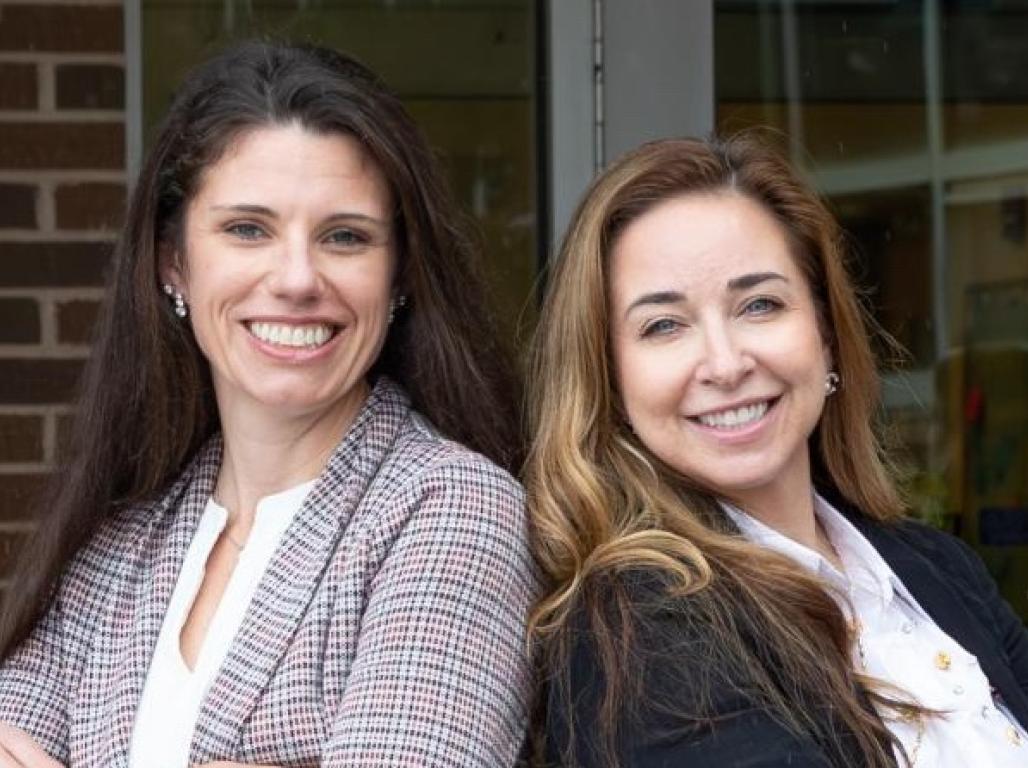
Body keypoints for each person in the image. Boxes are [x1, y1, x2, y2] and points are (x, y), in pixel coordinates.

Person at [0, 41, 537, 768]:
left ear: (400, 273)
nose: (296, 279)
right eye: (247, 229)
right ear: (173, 263)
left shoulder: (452, 509)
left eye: (344, 237)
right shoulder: (119, 539)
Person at [525, 135, 1028, 767]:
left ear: (825, 333)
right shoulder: (632, 632)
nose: (726, 363)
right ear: (610, 377)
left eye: (759, 304)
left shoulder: (933, 567)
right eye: (664, 325)